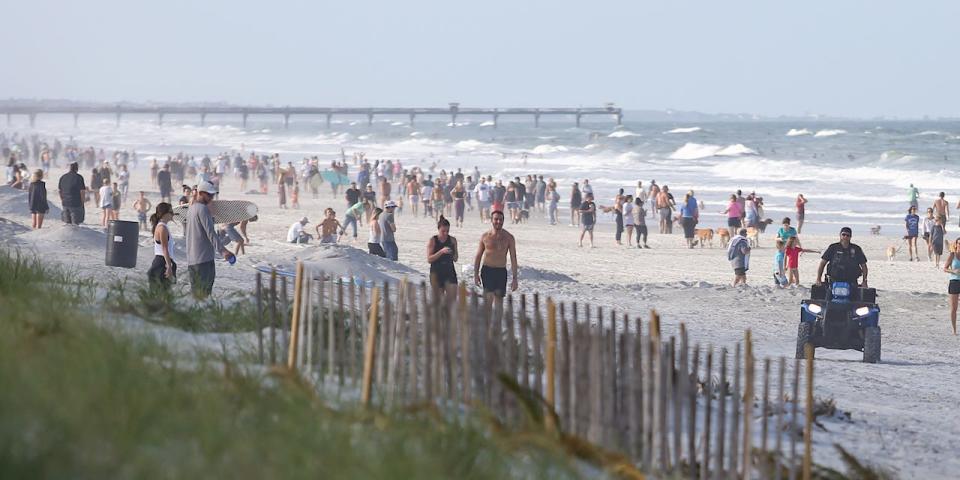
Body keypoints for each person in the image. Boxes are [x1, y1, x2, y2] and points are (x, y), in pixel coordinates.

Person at [185, 180, 235, 299]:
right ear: (201, 193)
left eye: (213, 195)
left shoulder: (191, 209)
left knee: (196, 297)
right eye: (209, 195)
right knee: (204, 296)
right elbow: (211, 233)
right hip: (204, 260)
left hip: (192, 260)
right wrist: (223, 251)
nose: (212, 198)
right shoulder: (202, 209)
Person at [473, 210, 518, 319]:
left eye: (500, 219)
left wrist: (515, 278)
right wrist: (476, 274)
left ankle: (497, 327)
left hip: (501, 272)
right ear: (491, 220)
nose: (498, 222)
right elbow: (478, 256)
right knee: (488, 300)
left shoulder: (509, 238)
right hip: (487, 270)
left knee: (499, 302)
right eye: (496, 219)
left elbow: (513, 258)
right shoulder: (485, 237)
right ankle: (486, 325)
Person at [427, 215, 459, 310]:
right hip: (437, 272)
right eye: (443, 231)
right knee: (438, 301)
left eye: (447, 231)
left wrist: (453, 253)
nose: (445, 233)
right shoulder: (433, 240)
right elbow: (429, 259)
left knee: (452, 300)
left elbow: (456, 258)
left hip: (449, 271)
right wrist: (441, 252)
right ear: (438, 229)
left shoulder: (452, 240)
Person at [147, 202, 177, 290]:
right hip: (161, 263)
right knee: (161, 293)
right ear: (165, 214)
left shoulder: (163, 227)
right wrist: (169, 266)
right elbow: (165, 249)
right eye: (171, 212)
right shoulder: (162, 228)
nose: (172, 214)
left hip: (162, 261)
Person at [942, 237, 960, 335]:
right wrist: (953, 271)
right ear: (956, 245)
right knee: (954, 308)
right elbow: (945, 268)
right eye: (959, 244)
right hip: (954, 281)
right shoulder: (952, 255)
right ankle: (954, 330)